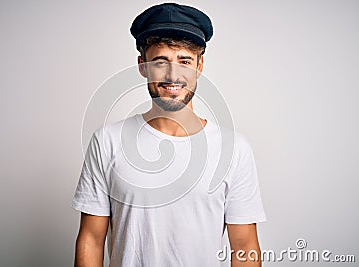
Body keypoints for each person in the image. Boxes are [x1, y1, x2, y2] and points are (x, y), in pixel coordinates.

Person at [72, 3, 266, 266]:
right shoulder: (107, 141)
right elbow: (91, 239)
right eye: (160, 61)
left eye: (184, 61)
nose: (173, 75)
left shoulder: (234, 149)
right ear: (142, 66)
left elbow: (244, 246)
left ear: (200, 65)